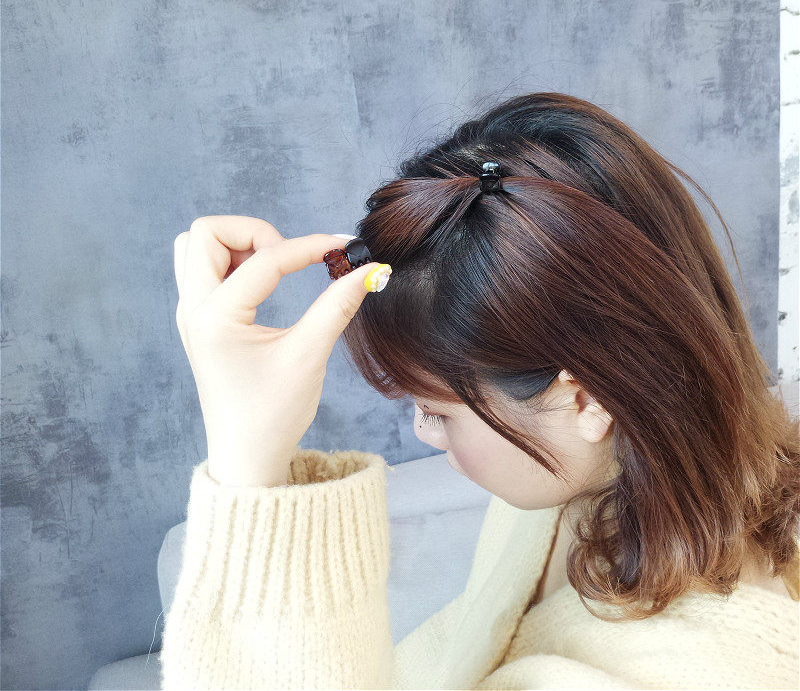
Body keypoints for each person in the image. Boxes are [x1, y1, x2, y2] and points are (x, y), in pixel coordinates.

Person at [160, 92, 799, 690]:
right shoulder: (587, 476)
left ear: (585, 400)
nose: (423, 433)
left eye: (436, 411)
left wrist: (248, 460)